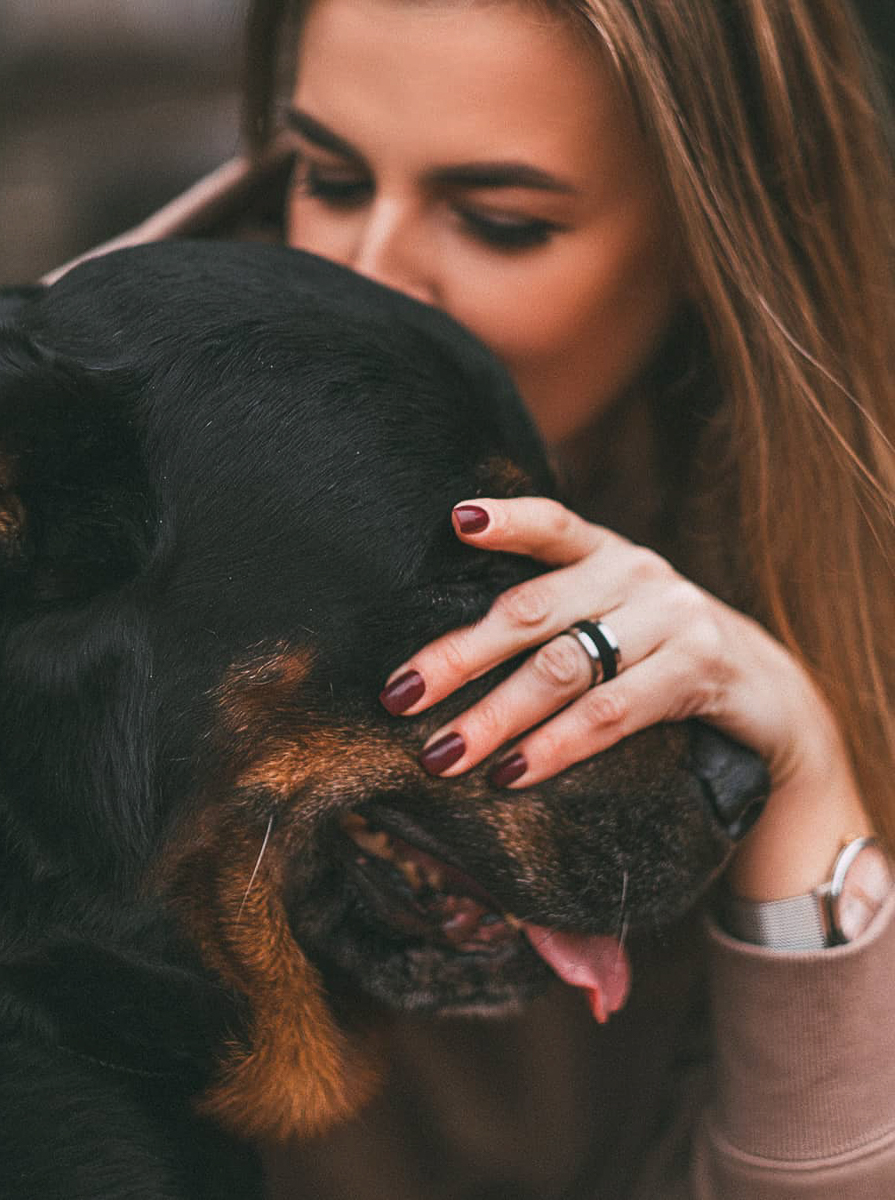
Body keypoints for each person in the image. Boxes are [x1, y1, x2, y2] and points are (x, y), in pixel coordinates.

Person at [49, 1, 895, 1195]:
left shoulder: (846, 586)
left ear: (714, 250)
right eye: (330, 178)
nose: (359, 285)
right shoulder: (44, 517)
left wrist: (807, 811)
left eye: (499, 222)